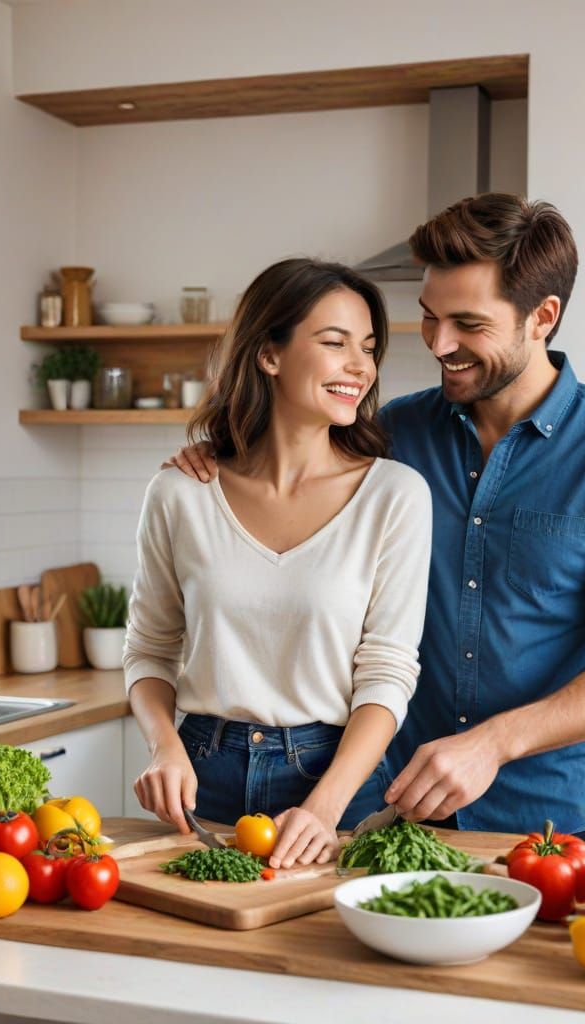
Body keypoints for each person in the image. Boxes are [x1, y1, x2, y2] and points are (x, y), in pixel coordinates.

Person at [169, 194, 585, 851]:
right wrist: (216, 457)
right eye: (428, 318)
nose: (440, 345)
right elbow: (282, 459)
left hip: (557, 817)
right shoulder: (388, 435)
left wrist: (493, 743)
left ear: (543, 317)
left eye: (468, 324)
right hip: (396, 808)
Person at [124, 257, 433, 870]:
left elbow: (388, 674)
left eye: (368, 348)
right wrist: (163, 746)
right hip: (200, 777)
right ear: (268, 354)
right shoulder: (181, 493)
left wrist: (324, 807)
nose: (360, 367)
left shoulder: (395, 495)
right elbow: (149, 649)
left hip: (337, 781)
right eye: (334, 342)